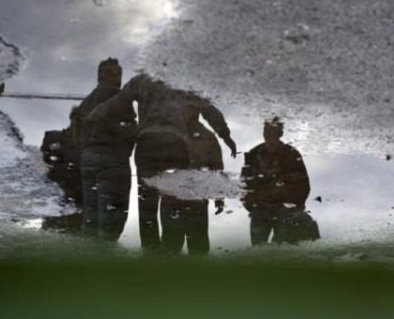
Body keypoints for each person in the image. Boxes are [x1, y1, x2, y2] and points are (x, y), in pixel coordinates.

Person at [89, 73, 237, 252]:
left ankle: (151, 251)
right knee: (175, 201)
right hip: (176, 145)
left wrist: (95, 113)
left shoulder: (143, 79)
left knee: (147, 205)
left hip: (148, 144)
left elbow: (118, 102)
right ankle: (172, 247)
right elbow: (209, 110)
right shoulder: (183, 80)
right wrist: (226, 136)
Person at [72, 58, 137, 241]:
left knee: (91, 214)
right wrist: (127, 149)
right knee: (112, 216)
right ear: (112, 75)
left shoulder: (86, 102)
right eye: (117, 74)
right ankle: (104, 254)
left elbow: (76, 133)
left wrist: (85, 150)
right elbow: (129, 128)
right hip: (112, 157)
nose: (120, 78)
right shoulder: (118, 98)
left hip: (88, 159)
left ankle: (88, 254)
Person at [159, 101, 225, 255]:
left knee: (198, 248)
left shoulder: (209, 137)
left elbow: (216, 168)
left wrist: (219, 197)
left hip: (197, 201)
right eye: (185, 105)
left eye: (192, 106)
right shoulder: (168, 133)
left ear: (199, 109)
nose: (187, 109)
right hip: (172, 199)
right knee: (170, 247)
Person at [241, 117, 319, 245]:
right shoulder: (254, 154)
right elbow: (244, 182)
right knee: (257, 249)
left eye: (273, 132)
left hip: (284, 209)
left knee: (282, 246)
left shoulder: (291, 154)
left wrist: (296, 206)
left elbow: (302, 183)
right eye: (266, 131)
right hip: (260, 208)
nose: (269, 135)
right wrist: (252, 206)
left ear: (280, 134)